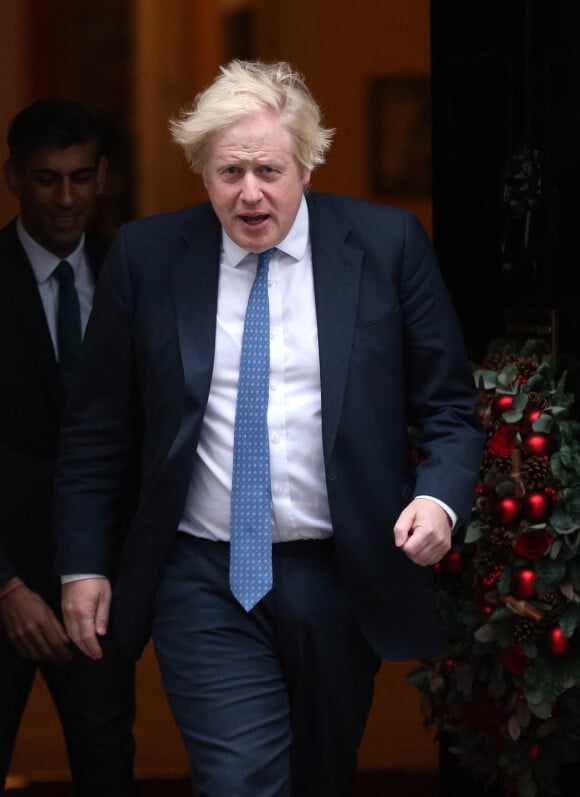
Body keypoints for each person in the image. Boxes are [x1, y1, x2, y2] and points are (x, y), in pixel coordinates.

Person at [55, 61, 484, 797]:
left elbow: (448, 407)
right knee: (241, 780)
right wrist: (83, 562)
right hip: (203, 576)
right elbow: (98, 429)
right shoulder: (148, 257)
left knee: (319, 775)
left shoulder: (386, 247)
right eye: (229, 171)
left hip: (337, 571)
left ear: (309, 165)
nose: (249, 192)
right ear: (202, 173)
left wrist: (439, 499)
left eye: (268, 169)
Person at [0, 98, 137, 796]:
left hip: (100, 585)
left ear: (103, 176)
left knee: (108, 765)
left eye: (81, 177)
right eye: (47, 178)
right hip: (5, 583)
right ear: (14, 177)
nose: (66, 197)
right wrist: (6, 585)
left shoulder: (132, 277)